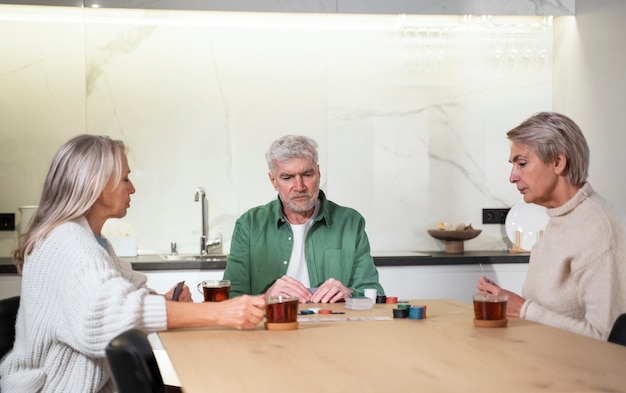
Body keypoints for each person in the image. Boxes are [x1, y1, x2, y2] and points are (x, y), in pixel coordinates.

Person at [0, 135, 266, 393]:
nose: (132, 188)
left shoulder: (93, 241)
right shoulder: (67, 242)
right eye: (125, 178)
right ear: (98, 184)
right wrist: (220, 313)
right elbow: (109, 316)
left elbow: (126, 292)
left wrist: (164, 300)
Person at [477, 112, 626, 340]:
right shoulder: (560, 219)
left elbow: (607, 340)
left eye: (522, 164)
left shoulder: (600, 229)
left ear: (558, 162)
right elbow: (549, 311)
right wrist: (509, 301)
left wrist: (523, 309)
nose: (512, 177)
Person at [223, 135, 384, 303]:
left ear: (318, 173)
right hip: (273, 324)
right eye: (287, 177)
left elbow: (374, 291)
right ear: (273, 181)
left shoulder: (350, 222)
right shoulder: (249, 224)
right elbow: (231, 297)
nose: (299, 187)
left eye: (307, 174)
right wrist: (266, 297)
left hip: (333, 324)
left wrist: (349, 292)